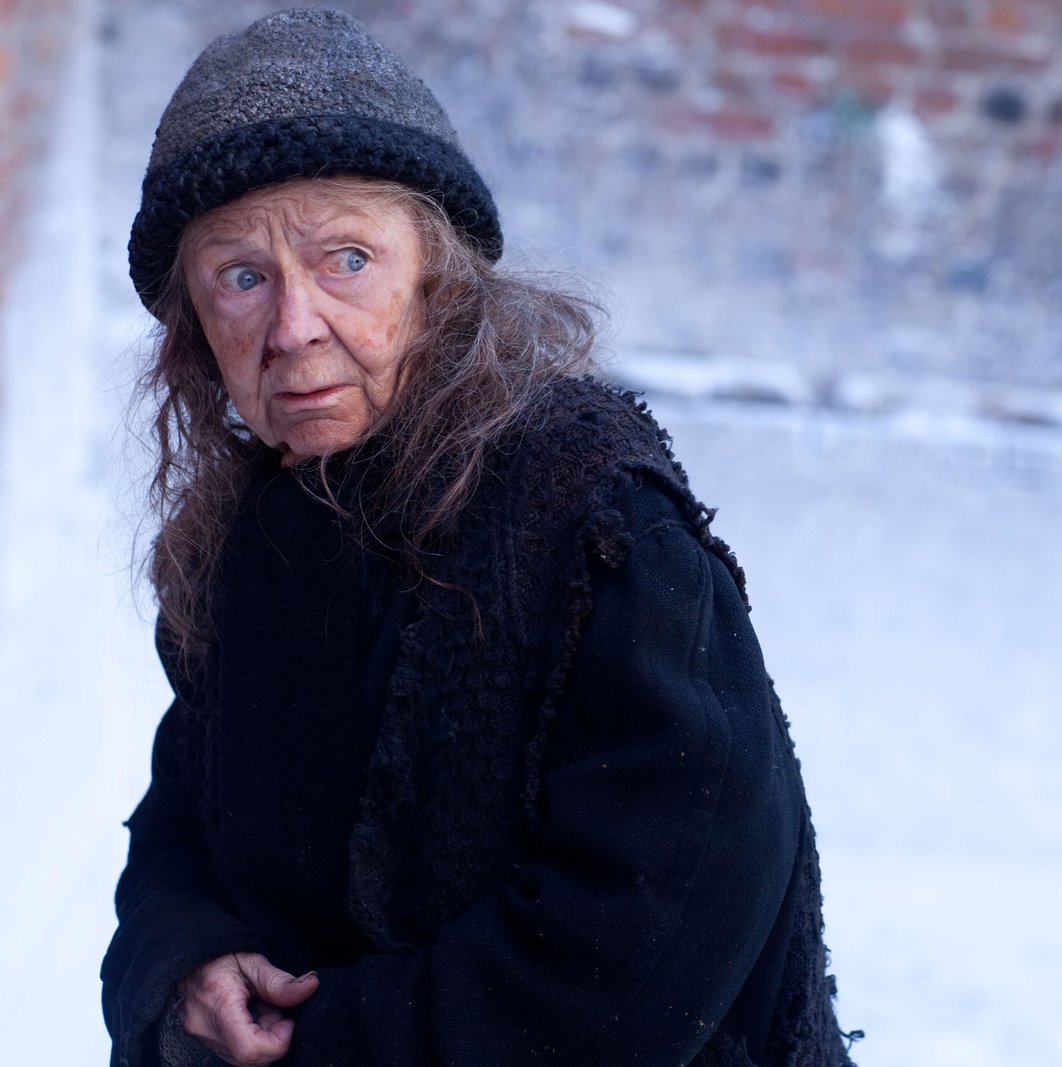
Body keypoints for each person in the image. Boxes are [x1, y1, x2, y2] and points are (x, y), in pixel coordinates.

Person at [99, 10, 856, 1067]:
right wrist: (182, 959)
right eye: (242, 276)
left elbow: (651, 934)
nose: (293, 326)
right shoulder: (248, 537)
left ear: (440, 277)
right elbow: (183, 818)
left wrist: (318, 1049)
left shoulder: (591, 520)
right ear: (194, 322)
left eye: (347, 259)